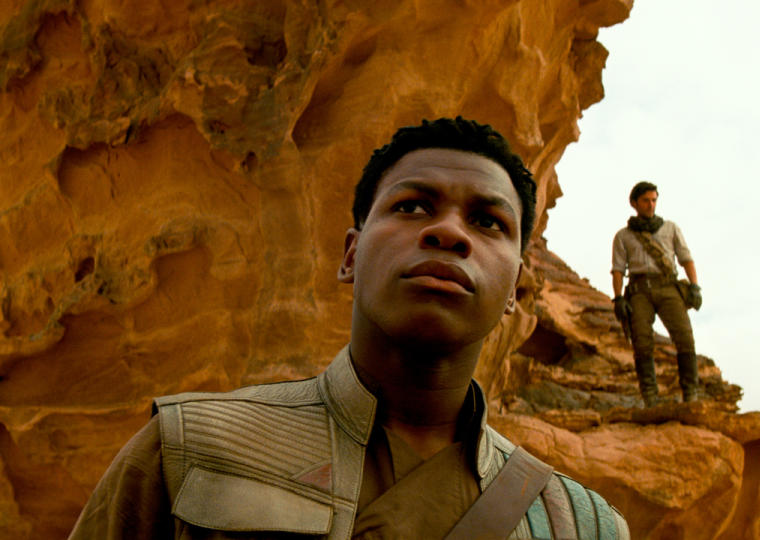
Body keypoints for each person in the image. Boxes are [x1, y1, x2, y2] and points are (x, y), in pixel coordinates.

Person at [69, 117, 629, 539]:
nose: (448, 232)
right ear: (350, 256)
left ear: (515, 291)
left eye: (487, 222)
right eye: (412, 207)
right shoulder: (189, 446)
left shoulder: (579, 523)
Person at [611, 181, 702, 406]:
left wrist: (695, 285)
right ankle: (650, 398)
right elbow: (618, 269)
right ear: (634, 203)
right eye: (646, 201)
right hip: (640, 291)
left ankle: (690, 394)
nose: (651, 205)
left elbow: (685, 258)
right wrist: (619, 297)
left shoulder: (670, 228)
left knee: (685, 338)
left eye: (654, 200)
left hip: (668, 286)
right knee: (642, 343)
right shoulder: (623, 236)